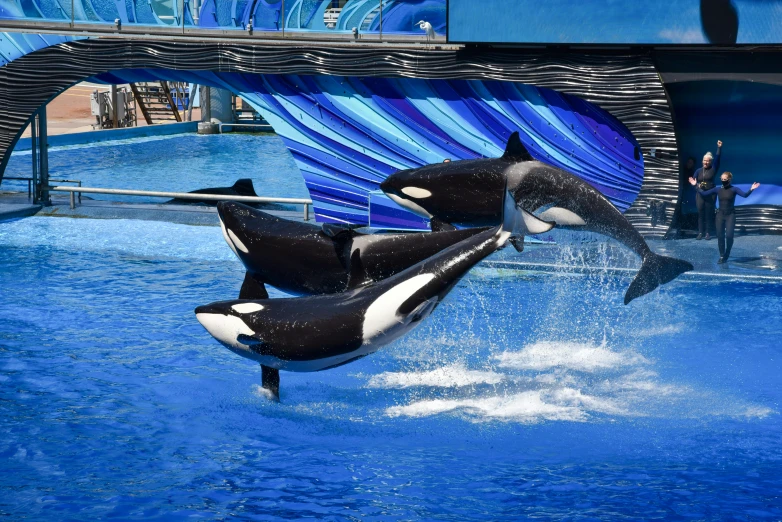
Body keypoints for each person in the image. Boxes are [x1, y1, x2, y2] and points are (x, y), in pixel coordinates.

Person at [689, 172, 760, 263]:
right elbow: (704, 194)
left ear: (729, 180)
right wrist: (695, 186)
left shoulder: (734, 189)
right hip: (720, 215)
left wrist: (751, 189)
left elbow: (745, 195)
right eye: (721, 179)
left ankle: (728, 252)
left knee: (729, 236)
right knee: (720, 236)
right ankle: (722, 255)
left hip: (730, 215)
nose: (723, 181)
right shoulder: (717, 189)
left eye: (725, 180)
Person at [691, 140, 722, 240]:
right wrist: (697, 187)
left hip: (711, 194)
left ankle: (708, 232)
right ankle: (700, 232)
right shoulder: (698, 171)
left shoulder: (713, 169)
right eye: (704, 160)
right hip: (700, 194)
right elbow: (694, 182)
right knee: (700, 213)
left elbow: (717, 159)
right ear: (702, 161)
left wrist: (719, 148)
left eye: (708, 160)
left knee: (709, 213)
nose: (706, 162)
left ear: (710, 162)